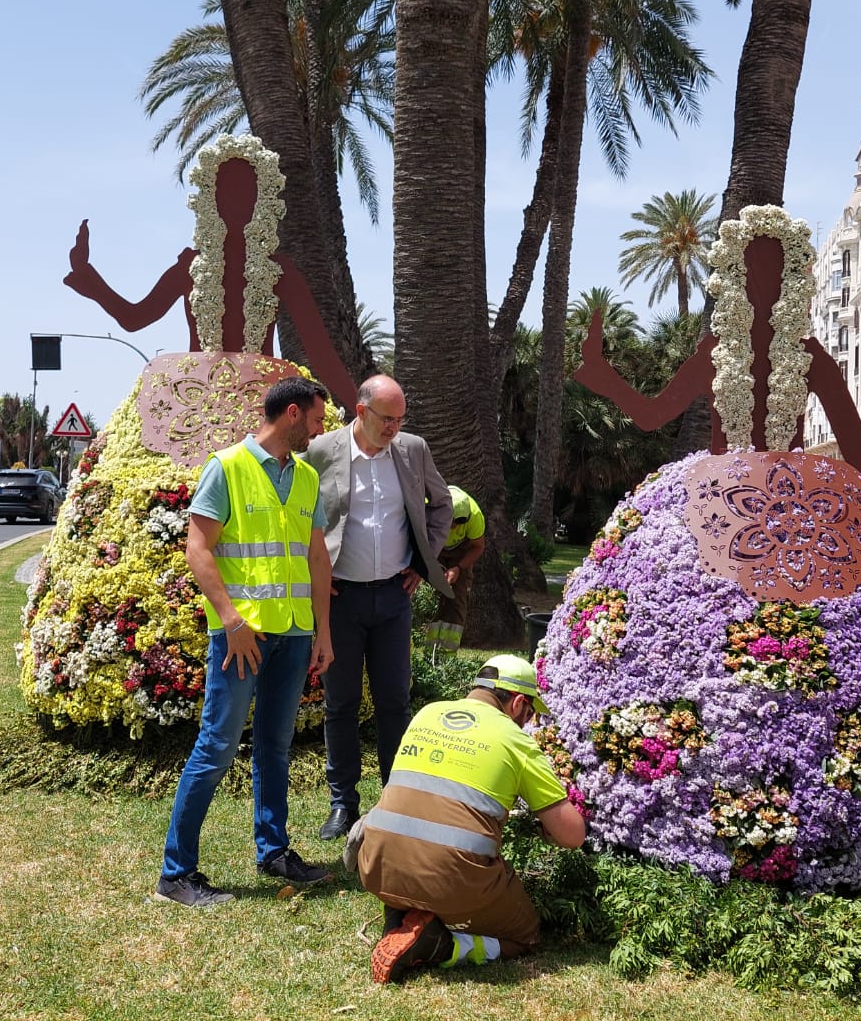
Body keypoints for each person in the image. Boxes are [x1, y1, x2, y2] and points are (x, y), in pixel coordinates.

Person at [154, 377, 337, 908]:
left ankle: (274, 851)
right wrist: (231, 621)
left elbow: (317, 559)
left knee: (275, 748)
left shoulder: (305, 477)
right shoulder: (226, 467)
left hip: (294, 634)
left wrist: (322, 631)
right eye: (319, 420)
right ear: (295, 414)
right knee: (217, 747)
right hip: (241, 637)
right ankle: (176, 873)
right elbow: (197, 549)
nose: (322, 430)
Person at [351, 654, 586, 983]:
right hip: (450, 881)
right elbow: (572, 834)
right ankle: (440, 945)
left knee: (421, 863)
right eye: (530, 713)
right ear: (518, 703)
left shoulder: (427, 713)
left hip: (376, 867)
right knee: (525, 935)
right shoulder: (515, 739)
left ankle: (402, 909)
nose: (527, 721)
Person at [304, 374, 453, 841]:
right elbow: (300, 514)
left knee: (394, 702)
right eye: (387, 419)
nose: (394, 427)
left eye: (400, 418)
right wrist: (312, 574)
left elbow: (441, 504)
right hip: (340, 598)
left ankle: (394, 800)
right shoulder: (323, 450)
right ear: (361, 411)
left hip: (393, 596)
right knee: (341, 704)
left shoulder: (412, 450)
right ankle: (342, 805)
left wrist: (421, 561)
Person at [424, 486, 486, 655]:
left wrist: (458, 569)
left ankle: (448, 654)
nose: (453, 528)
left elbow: (478, 547)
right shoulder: (427, 507)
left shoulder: (475, 517)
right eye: (451, 523)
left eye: (459, 524)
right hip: (432, 549)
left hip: (461, 554)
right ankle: (428, 649)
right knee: (430, 598)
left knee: (457, 600)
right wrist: (430, 564)